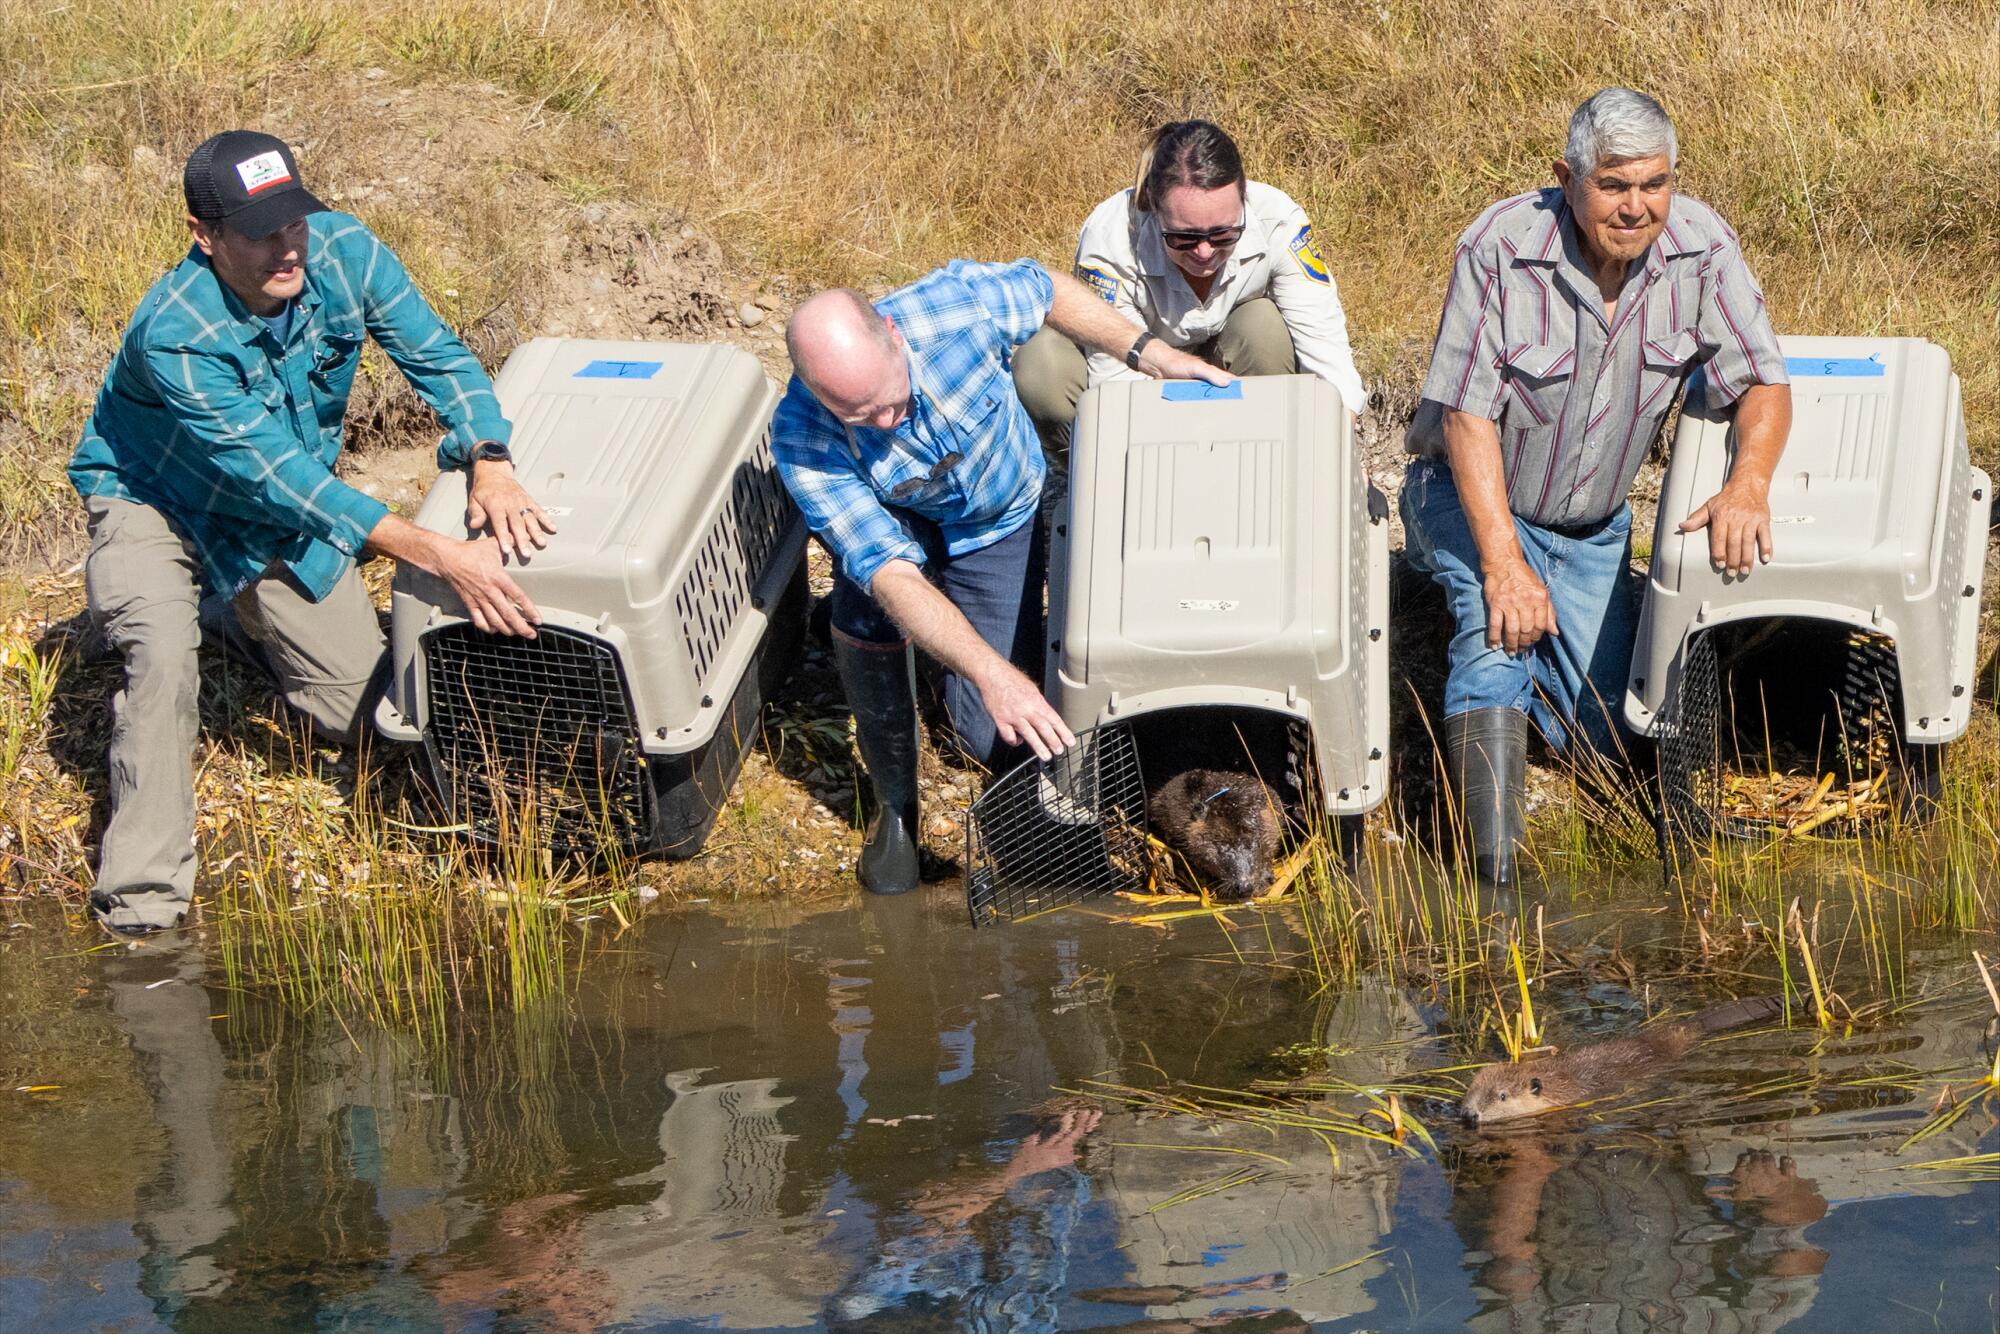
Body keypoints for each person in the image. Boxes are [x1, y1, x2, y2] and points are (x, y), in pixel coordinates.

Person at [69, 129, 555, 936]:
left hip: (274, 512)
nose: (287, 247)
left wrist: (490, 457)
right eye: (262, 234)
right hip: (157, 498)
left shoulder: (346, 252)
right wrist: (442, 558)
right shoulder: (176, 332)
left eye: (294, 220)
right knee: (161, 658)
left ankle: (226, 614)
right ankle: (142, 911)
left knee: (362, 711)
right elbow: (284, 481)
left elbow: (438, 357)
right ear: (206, 236)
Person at [1401, 88, 1792, 883]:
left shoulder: (1703, 246)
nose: (1636, 206)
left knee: (1608, 732)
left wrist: (1748, 483)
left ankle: (1542, 670)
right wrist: (1505, 564)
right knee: (1495, 629)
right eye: (1614, 185)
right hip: (1468, 496)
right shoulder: (1500, 246)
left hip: (1593, 526)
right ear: (1568, 178)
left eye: (1654, 184)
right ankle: (1493, 885)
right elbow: (1467, 419)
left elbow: (1762, 381)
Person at [774, 261, 1229, 894]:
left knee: (989, 732)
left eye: (889, 402)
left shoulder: (954, 312)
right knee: (871, 608)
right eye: (856, 416)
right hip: (897, 534)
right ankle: (894, 806)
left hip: (996, 517)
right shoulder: (800, 437)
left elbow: (1048, 290)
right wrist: (993, 673)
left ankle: (930, 652)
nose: (884, 425)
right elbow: (890, 572)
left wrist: (1150, 354)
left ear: (895, 337)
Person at [1013, 118, 1367, 459]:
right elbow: (1117, 384)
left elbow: (1326, 351)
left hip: (1231, 359)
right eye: (1183, 236)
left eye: (1224, 234)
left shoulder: (1279, 220)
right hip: (1143, 373)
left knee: (1262, 326)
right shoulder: (1110, 236)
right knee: (1040, 364)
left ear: (1244, 197)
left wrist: (1336, 451)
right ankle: (1097, 473)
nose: (1204, 252)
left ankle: (1265, 459)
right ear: (1152, 205)